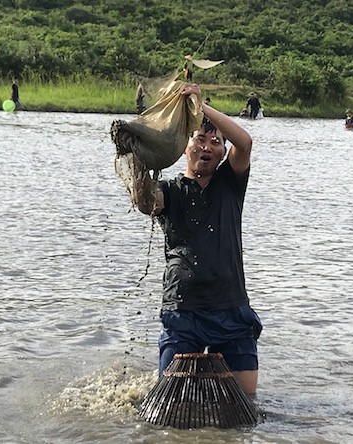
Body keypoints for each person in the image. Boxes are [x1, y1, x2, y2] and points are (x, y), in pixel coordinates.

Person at [133, 83, 262, 395]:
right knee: (168, 398)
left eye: (214, 142)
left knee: (247, 403)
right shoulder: (170, 189)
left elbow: (244, 142)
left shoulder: (229, 183)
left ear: (221, 153)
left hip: (231, 309)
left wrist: (199, 108)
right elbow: (146, 202)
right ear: (184, 148)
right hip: (183, 309)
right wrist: (136, 158)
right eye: (199, 139)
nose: (207, 146)